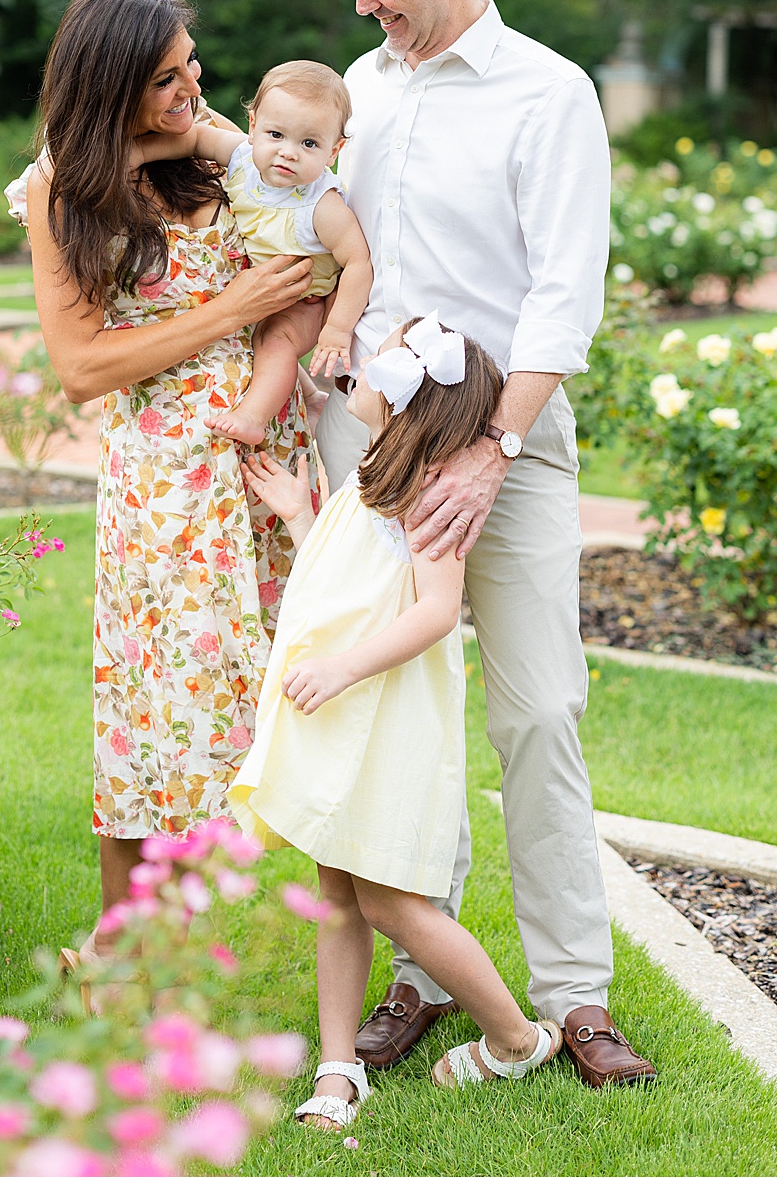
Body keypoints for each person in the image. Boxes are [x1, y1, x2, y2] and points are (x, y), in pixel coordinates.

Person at [313, 0, 654, 1089]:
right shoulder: (360, 88)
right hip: (375, 440)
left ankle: (574, 998)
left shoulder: (546, 94)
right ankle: (420, 978)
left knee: (537, 712)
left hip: (508, 434)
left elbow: (566, 294)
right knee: (404, 717)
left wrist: (495, 447)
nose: (365, 6)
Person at [10, 0, 316, 952]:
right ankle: (120, 949)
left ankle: (375, 933)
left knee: (297, 693)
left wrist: (200, 136)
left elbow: (310, 197)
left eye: (192, 67)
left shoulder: (212, 149)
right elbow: (80, 366)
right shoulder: (64, 187)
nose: (194, 88)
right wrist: (227, 311)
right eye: (166, 80)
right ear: (107, 85)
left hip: (263, 456)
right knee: (151, 705)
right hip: (162, 477)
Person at [230, 315, 563, 1130]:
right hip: (345, 719)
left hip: (382, 721)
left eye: (373, 363)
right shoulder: (375, 472)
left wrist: (342, 667)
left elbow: (438, 612)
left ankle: (519, 1041)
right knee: (336, 894)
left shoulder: (428, 497)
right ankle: (340, 1068)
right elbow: (348, 577)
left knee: (392, 904)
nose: (358, 369)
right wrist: (301, 517)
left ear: (406, 396)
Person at [131, 59, 374, 447]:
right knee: (248, 325)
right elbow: (194, 138)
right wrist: (137, 153)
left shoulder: (321, 205)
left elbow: (359, 262)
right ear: (253, 126)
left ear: (334, 150)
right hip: (260, 281)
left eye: (309, 143)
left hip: (305, 297)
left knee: (276, 339)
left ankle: (253, 417)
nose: (288, 153)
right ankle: (308, 395)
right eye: (276, 134)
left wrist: (337, 329)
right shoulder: (243, 157)